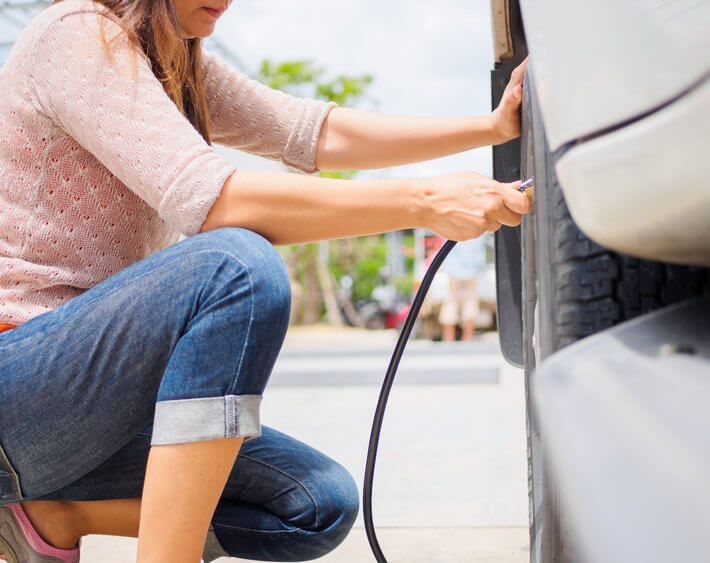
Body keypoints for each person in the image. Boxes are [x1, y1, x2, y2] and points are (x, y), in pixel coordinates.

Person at [0, 0, 530, 561]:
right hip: (23, 383)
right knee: (235, 267)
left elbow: (311, 133)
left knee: (316, 504)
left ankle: (48, 512)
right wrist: (424, 200)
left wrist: (493, 127)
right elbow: (211, 199)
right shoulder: (78, 35)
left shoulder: (174, 64)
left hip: (98, 402)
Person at [438, 236, 488, 341]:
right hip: (472, 269)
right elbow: (480, 250)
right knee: (471, 302)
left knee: (451, 301)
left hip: (454, 269)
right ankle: (467, 338)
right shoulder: (477, 227)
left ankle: (448, 338)